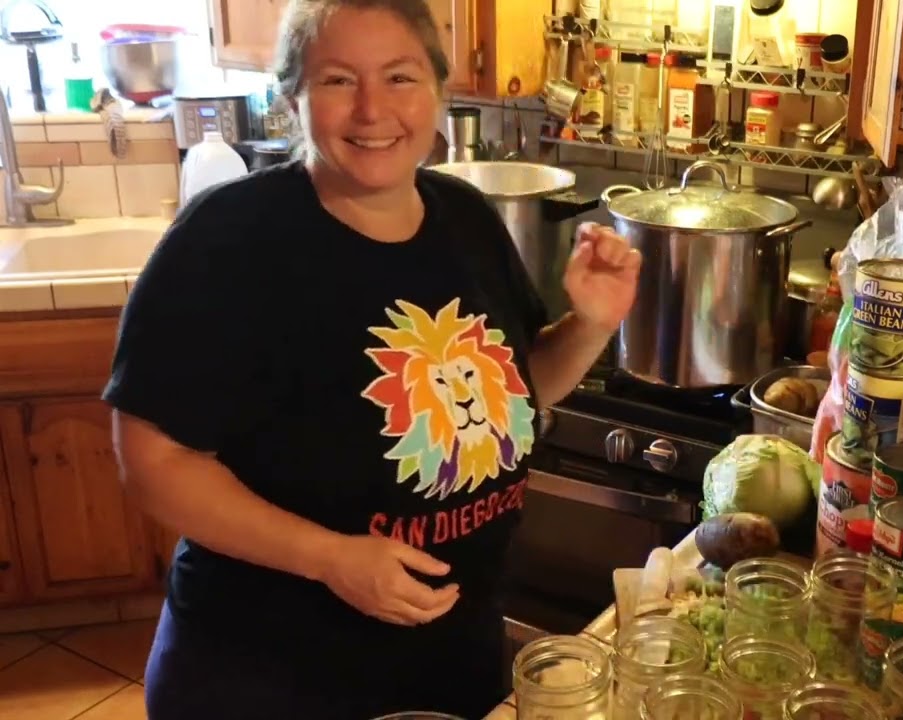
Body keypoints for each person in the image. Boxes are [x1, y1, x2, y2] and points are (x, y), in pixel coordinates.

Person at [105, 0, 640, 717]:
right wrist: (332, 558)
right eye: (336, 80)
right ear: (293, 98)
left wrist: (593, 324)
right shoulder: (229, 242)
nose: (371, 110)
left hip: (452, 658)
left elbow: (511, 395)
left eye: (399, 76)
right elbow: (152, 460)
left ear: (437, 91)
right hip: (270, 675)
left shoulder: (467, 220)